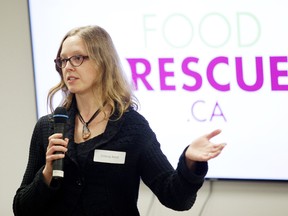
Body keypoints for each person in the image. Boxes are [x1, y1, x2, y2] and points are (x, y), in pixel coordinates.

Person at [13, 25, 226, 216]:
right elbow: (21, 208)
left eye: (77, 58)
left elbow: (176, 198)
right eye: (63, 60)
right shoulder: (48, 127)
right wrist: (47, 174)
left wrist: (190, 162)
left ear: (103, 62)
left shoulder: (132, 128)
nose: (68, 66)